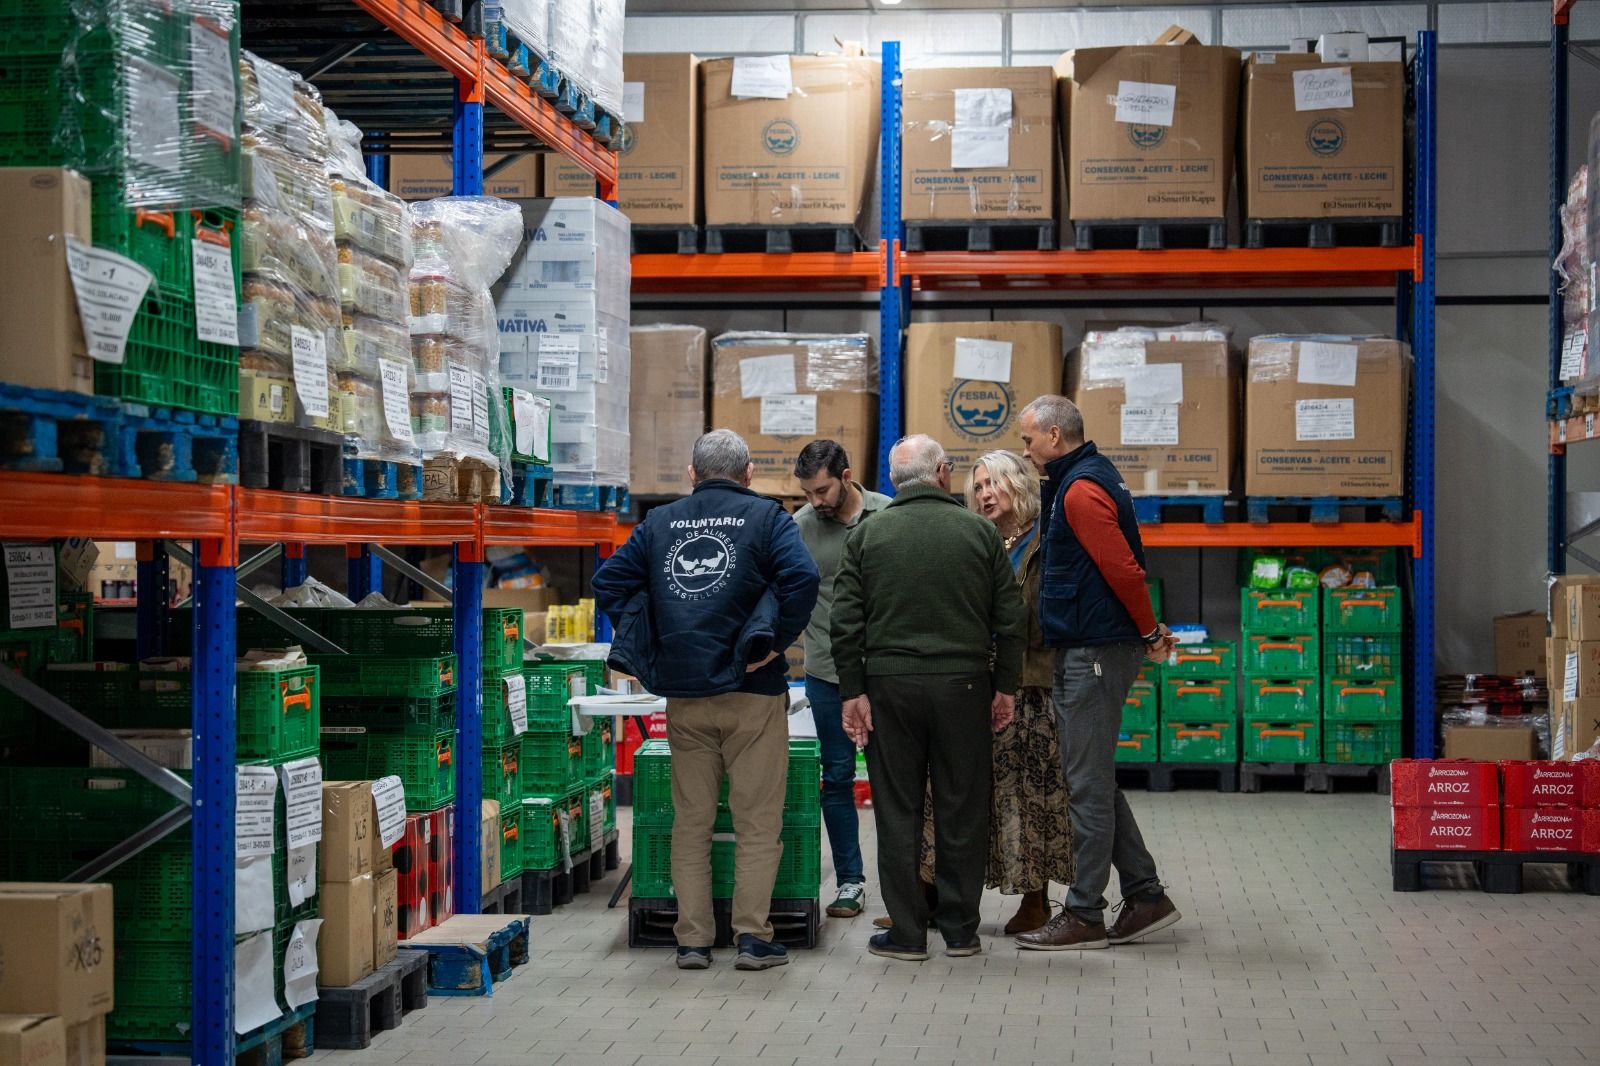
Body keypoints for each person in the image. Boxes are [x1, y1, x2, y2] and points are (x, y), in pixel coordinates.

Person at [593, 429, 820, 971]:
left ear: (692, 475)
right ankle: (751, 938)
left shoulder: (659, 523)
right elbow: (803, 578)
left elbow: (611, 581)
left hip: (686, 696)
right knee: (756, 824)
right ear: (747, 474)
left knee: (690, 822)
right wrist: (775, 645)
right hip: (752, 693)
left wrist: (651, 644)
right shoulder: (769, 519)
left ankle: (692, 940)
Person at [831, 434, 1025, 961]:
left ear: (897, 482)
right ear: (943, 472)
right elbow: (1010, 621)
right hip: (964, 687)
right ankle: (961, 930)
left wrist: (854, 693)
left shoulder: (869, 534)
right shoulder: (979, 534)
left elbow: (845, 622)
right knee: (962, 806)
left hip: (890, 689)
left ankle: (908, 934)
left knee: (897, 810)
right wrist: (1004, 686)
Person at [1013, 396, 1181, 951]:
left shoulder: (1082, 490)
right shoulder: (1077, 480)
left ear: (1056, 436)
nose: (1026, 449)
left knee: (1085, 784)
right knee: (1093, 778)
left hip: (1095, 651)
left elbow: (1124, 570)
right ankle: (1146, 894)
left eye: (1029, 440)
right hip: (1085, 647)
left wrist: (1151, 632)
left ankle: (1085, 912)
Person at [966, 450, 1075, 935]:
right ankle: (937, 894)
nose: (985, 494)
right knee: (971, 793)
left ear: (1018, 484)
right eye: (979, 486)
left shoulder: (1045, 540)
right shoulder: (977, 540)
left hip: (1032, 682)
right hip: (980, 681)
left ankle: (1037, 900)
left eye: (994, 484)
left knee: (1031, 794)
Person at [791, 440, 892, 920]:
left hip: (885, 676)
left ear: (847, 476)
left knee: (896, 781)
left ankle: (905, 884)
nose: (815, 502)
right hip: (827, 675)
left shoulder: (889, 515)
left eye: (823, 490)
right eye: (808, 492)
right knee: (836, 778)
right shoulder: (801, 527)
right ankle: (851, 881)